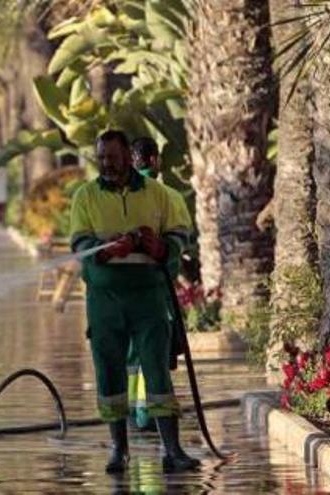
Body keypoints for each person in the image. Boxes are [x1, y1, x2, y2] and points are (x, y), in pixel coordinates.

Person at [69, 130, 199, 473]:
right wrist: (106, 250)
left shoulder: (159, 195)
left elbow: (179, 233)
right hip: (105, 299)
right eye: (101, 157)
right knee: (109, 371)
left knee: (157, 370)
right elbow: (80, 242)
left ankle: (172, 450)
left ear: (128, 155)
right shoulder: (86, 196)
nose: (106, 164)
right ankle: (118, 449)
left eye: (112, 156)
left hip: (149, 297)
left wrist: (161, 246)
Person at [126, 137, 194, 433]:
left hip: (122, 291)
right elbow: (179, 244)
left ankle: (131, 410)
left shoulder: (119, 198)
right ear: (155, 161)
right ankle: (146, 415)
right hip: (157, 291)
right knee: (152, 354)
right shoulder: (169, 197)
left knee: (131, 353)